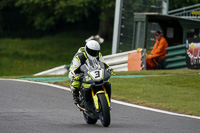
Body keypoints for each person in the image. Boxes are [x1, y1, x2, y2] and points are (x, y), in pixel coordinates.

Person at [68, 40, 112, 105]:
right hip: (78, 71)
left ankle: (107, 98)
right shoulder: (79, 57)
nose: (93, 53)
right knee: (76, 83)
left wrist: (108, 68)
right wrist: (76, 75)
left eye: (95, 52)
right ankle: (76, 97)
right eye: (91, 51)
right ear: (87, 49)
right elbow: (74, 69)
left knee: (106, 81)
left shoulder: (99, 55)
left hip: (93, 70)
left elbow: (104, 63)